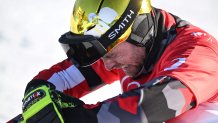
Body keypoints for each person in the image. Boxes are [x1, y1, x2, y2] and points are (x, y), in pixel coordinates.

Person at [12, 0, 218, 122]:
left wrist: (79, 118)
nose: (107, 65)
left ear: (140, 30)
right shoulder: (128, 49)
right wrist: (39, 95)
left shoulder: (199, 52)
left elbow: (156, 103)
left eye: (110, 55)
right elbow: (63, 78)